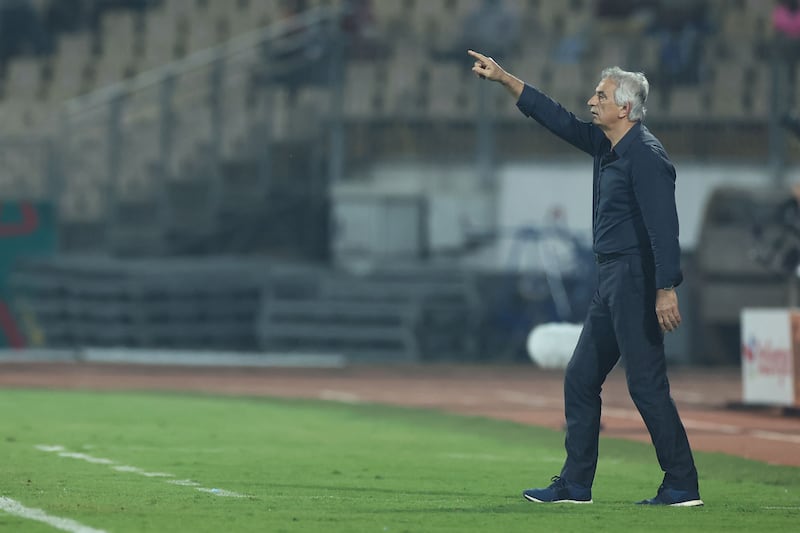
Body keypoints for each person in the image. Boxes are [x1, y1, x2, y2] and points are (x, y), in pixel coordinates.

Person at [467, 49, 703, 506]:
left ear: (625, 109)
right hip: (610, 278)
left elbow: (664, 228)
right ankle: (575, 485)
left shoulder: (647, 157)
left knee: (646, 385)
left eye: (601, 95)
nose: (591, 101)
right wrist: (504, 79)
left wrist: (666, 287)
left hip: (635, 279)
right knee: (579, 378)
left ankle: (681, 483)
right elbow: (555, 118)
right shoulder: (606, 146)